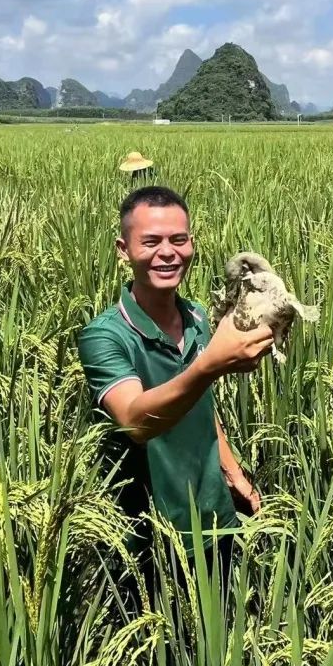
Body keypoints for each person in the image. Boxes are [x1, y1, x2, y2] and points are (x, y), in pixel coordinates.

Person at [76, 185, 271, 594]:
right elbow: (134, 421)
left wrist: (234, 474)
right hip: (150, 535)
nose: (168, 252)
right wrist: (209, 366)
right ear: (122, 249)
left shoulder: (199, 317)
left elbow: (204, 407)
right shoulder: (104, 336)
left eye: (178, 240)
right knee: (167, 653)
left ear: (191, 244)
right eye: (151, 242)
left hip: (215, 519)